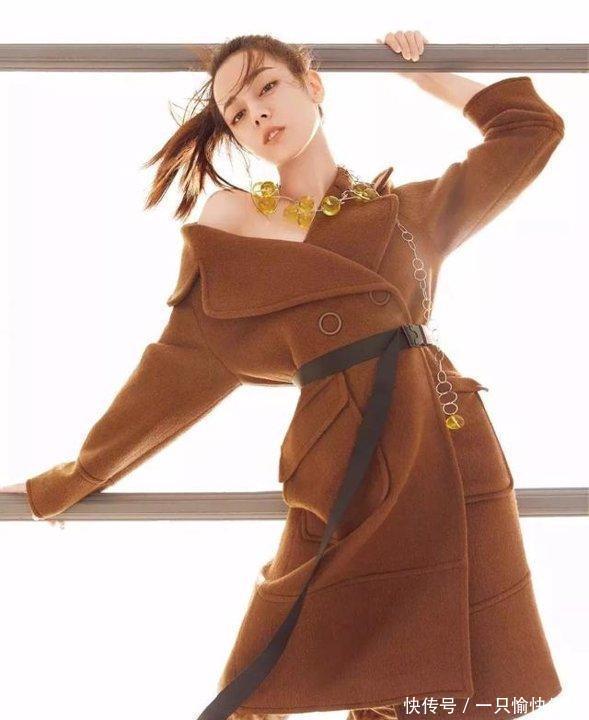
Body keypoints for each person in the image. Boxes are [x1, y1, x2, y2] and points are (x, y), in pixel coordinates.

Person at [1, 32, 565, 720]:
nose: (257, 113)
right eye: (237, 113)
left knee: (419, 695)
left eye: (267, 86)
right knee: (257, 691)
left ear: (313, 85)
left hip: (445, 448)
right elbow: (171, 377)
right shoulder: (233, 240)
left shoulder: (404, 213)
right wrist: (69, 481)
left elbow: (531, 130)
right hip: (337, 473)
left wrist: (425, 74)